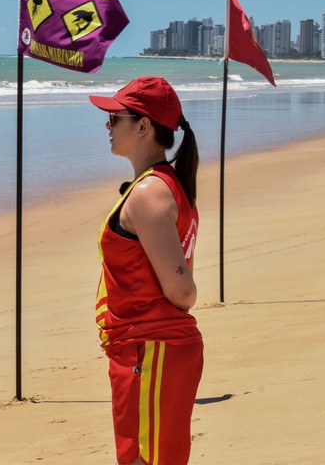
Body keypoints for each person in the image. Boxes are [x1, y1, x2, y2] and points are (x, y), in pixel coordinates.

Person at [88, 77, 203, 465]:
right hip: (145, 349)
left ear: (143, 126)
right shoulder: (162, 185)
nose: (107, 125)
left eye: (114, 117)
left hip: (152, 348)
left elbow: (182, 291)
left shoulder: (149, 193)